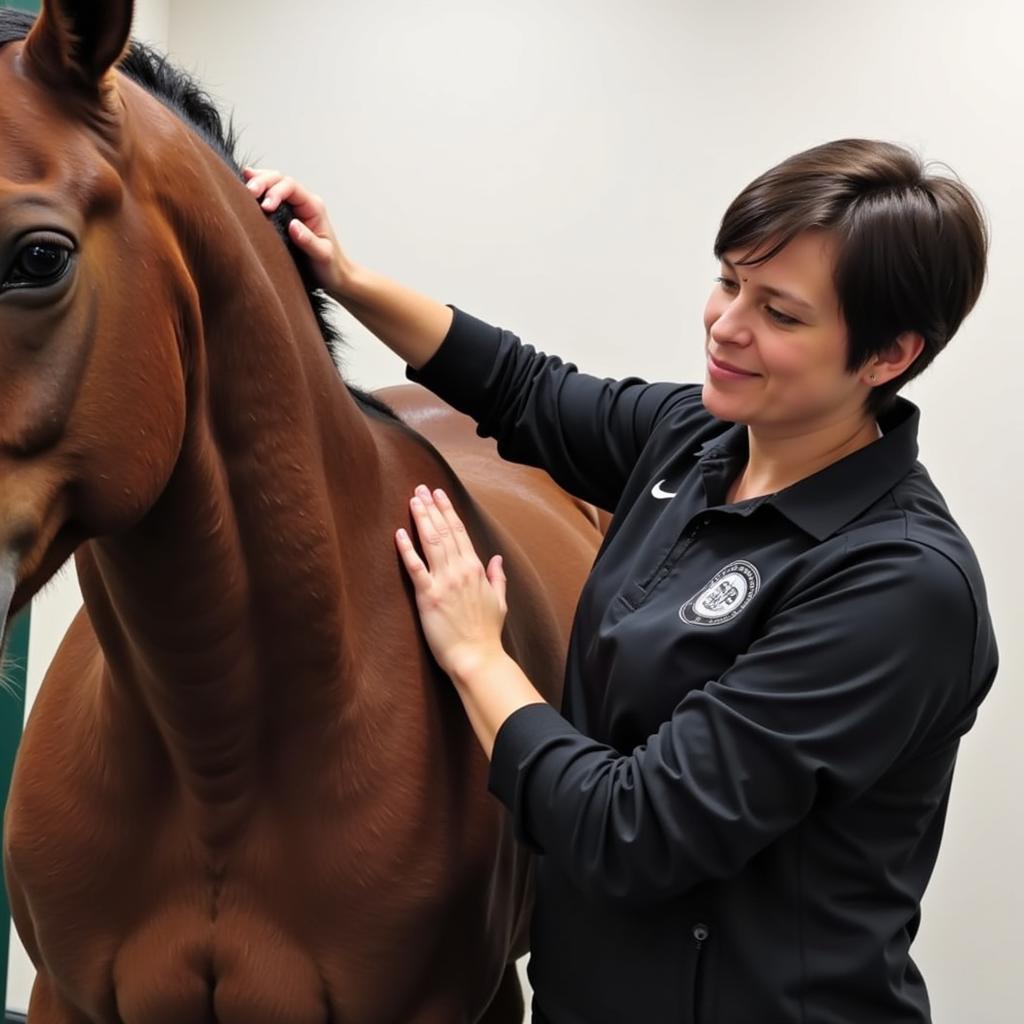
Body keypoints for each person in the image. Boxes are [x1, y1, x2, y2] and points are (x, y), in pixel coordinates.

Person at [244, 139, 997, 1024]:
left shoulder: (899, 586)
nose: (726, 325)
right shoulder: (695, 439)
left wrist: (477, 653)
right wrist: (343, 275)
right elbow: (523, 387)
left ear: (887, 357)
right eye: (729, 282)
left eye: (782, 315)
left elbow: (630, 831)